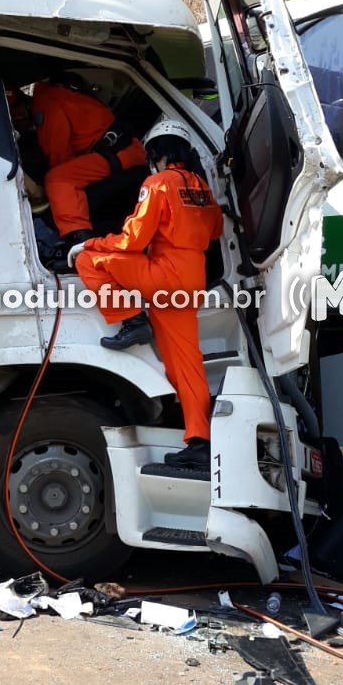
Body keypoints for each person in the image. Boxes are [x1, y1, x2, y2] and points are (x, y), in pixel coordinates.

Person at [73, 120, 224, 471]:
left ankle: (130, 319)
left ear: (156, 153)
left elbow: (133, 240)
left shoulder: (157, 184)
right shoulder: (202, 188)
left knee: (89, 261)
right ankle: (200, 442)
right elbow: (215, 229)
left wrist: (92, 241)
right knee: (185, 367)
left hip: (163, 278)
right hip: (192, 283)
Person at [32, 74, 148, 244]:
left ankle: (79, 239)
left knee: (58, 180)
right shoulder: (55, 95)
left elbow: (59, 153)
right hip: (124, 149)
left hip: (121, 153)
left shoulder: (44, 104)